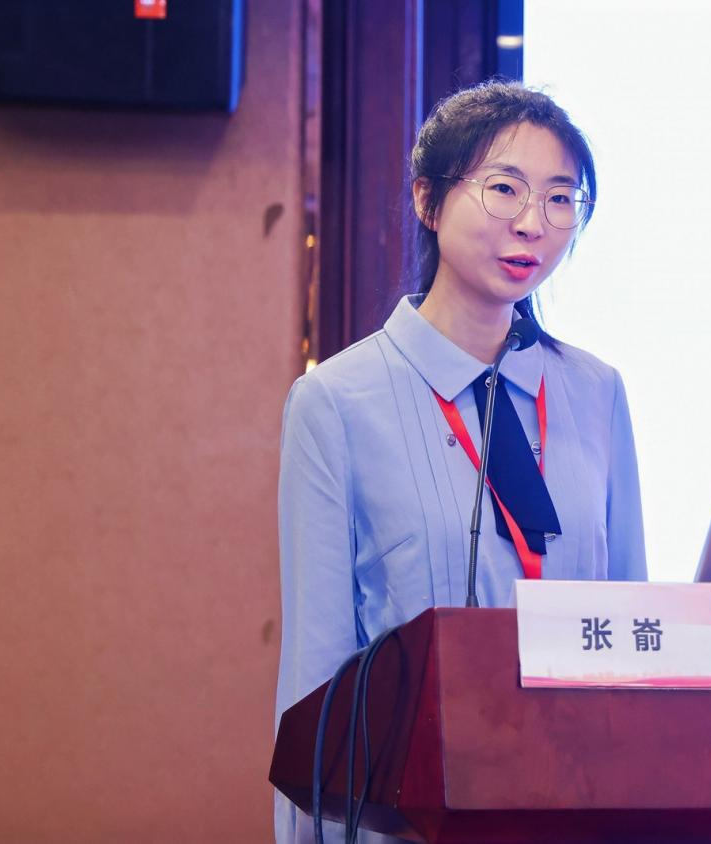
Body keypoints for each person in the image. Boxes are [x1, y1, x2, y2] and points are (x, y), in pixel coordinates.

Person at [274, 80, 647, 844]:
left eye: (560, 199)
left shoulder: (596, 392)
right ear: (428, 200)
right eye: (504, 189)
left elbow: (632, 622)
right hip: (410, 822)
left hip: (572, 813)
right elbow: (317, 678)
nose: (533, 223)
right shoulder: (336, 402)